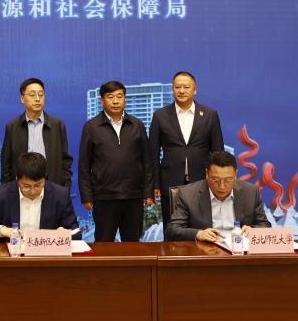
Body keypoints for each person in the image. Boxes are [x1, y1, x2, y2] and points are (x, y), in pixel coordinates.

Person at [78, 81, 154, 242]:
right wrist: (86, 196)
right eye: (110, 97)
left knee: (132, 243)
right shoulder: (91, 127)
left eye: (119, 96)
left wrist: (148, 192)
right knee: (104, 242)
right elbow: (84, 165)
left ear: (125, 99)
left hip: (133, 196)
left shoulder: (137, 125)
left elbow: (147, 161)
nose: (115, 101)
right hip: (104, 197)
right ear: (102, 100)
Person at [149, 71, 224, 225]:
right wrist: (155, 183)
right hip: (170, 182)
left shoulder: (210, 115)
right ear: (172, 89)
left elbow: (218, 152)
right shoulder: (160, 115)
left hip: (202, 182)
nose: (181, 91)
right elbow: (153, 153)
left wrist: (218, 180)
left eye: (186, 87)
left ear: (195, 90)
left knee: (202, 228)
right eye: (177, 87)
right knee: (172, 227)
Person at [0, 152, 79, 241]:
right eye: (26, 186)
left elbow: (76, 233)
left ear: (45, 178)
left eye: (38, 185)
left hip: (46, 256)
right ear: (17, 179)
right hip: (11, 255)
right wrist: (4, 231)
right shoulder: (1, 194)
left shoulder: (60, 195)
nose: (32, 191)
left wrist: (65, 234)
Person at [165, 151, 270, 241]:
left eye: (228, 180)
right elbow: (172, 229)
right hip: (206, 252)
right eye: (216, 180)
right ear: (207, 174)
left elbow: (265, 225)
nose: (222, 186)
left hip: (239, 250)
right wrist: (198, 234)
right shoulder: (188, 194)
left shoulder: (251, 192)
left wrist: (253, 230)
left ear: (236, 174)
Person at [0, 78, 73, 189]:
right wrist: (7, 190)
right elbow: (6, 164)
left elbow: (65, 162)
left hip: (52, 186)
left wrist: (65, 188)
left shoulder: (57, 125)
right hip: (23, 187)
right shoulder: (12, 126)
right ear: (22, 98)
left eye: (41, 95)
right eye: (32, 95)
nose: (37, 99)